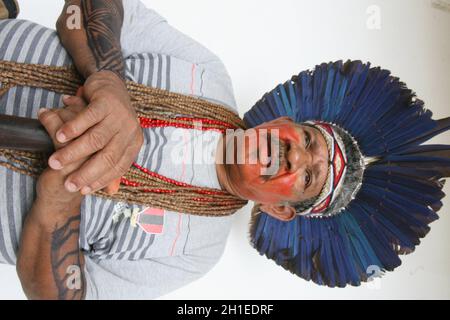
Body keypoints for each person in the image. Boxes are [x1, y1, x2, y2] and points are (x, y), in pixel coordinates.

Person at [1, 0, 449, 299]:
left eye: (309, 177)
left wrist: (59, 201)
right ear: (281, 123)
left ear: (280, 211)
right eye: (309, 140)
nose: (297, 156)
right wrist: (107, 81)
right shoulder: (207, 75)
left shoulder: (197, 251)